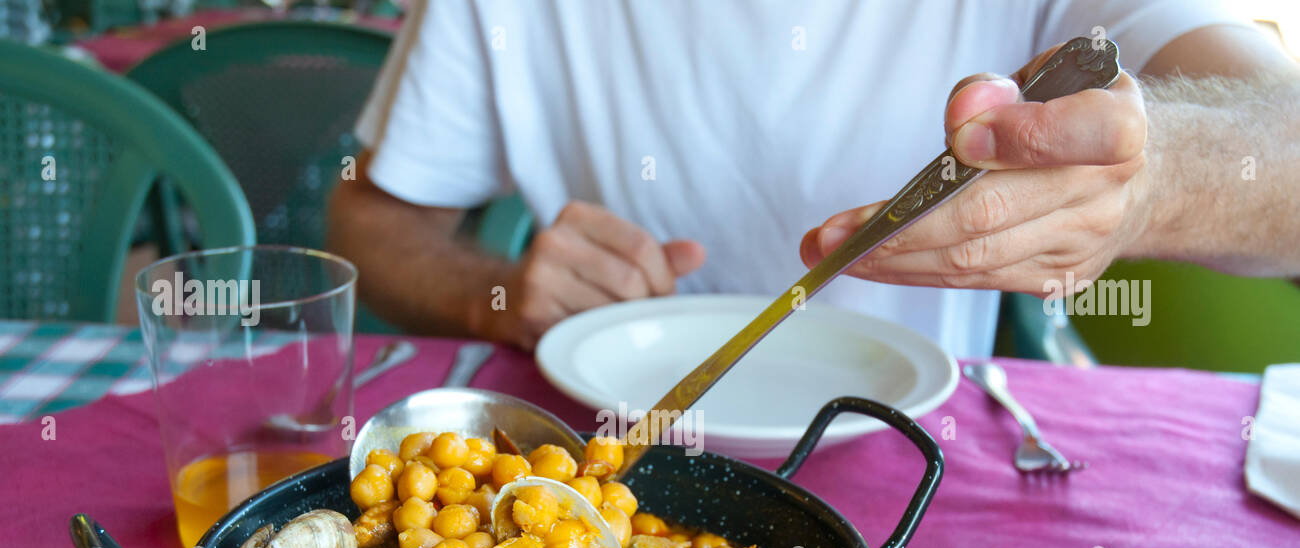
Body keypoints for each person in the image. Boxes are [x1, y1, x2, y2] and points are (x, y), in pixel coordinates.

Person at [329, 0, 1300, 356]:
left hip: (913, 475)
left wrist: (1145, 177)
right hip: (608, 466)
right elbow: (362, 222)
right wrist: (494, 291)